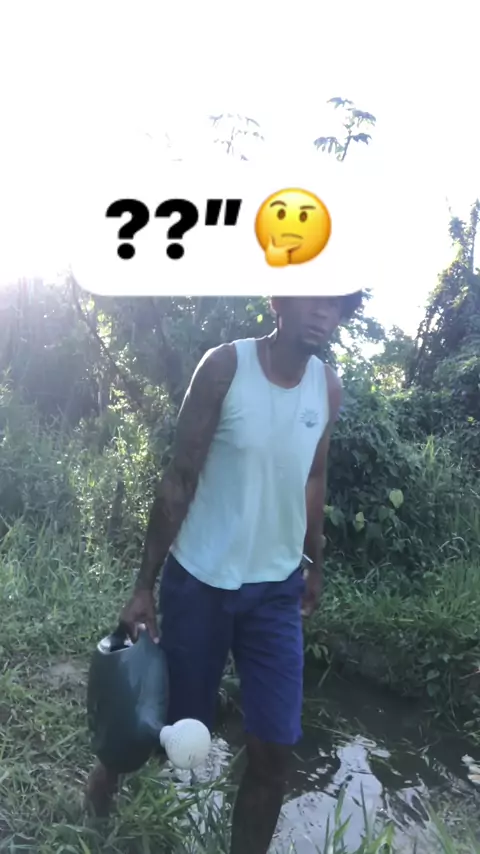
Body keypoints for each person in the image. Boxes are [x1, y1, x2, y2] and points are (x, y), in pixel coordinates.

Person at [86, 292, 363, 854]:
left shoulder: (327, 388)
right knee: (171, 728)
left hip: (275, 593)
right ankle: (104, 781)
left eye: (336, 304)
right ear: (280, 298)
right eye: (314, 297)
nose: (323, 312)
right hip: (200, 582)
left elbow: (313, 476)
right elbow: (181, 475)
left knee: (274, 751)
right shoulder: (225, 368)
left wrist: (313, 559)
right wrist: (144, 585)